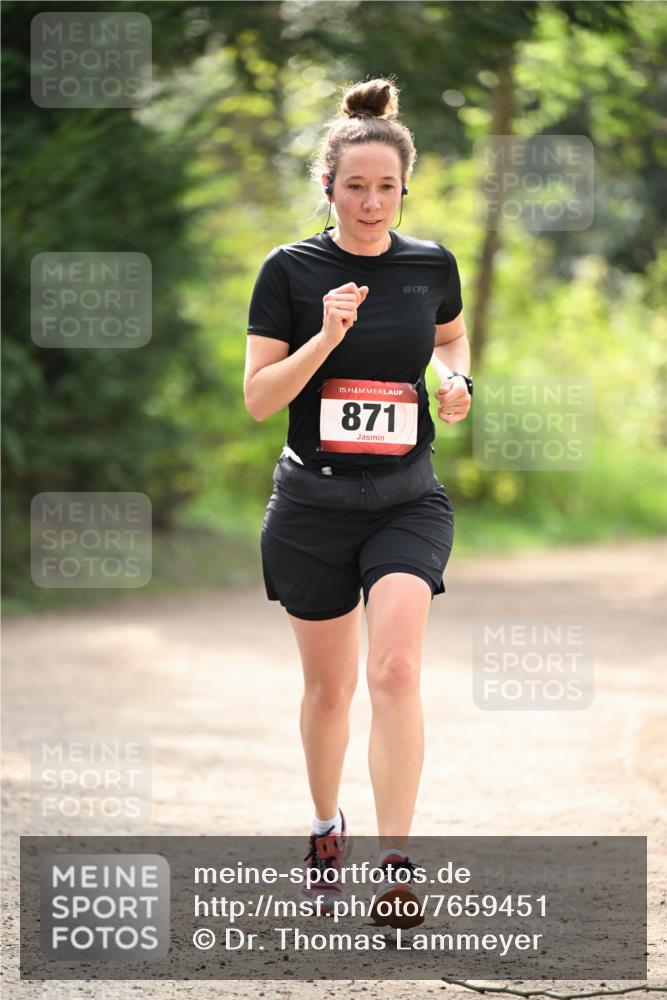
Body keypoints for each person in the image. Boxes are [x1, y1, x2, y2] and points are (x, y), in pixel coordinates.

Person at [243, 77, 472, 929]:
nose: (371, 202)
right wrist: (325, 337)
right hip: (310, 506)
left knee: (396, 669)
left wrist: (455, 380)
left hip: (406, 500)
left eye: (386, 187)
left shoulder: (429, 265)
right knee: (331, 692)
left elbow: (450, 337)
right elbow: (259, 399)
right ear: (328, 187)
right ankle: (323, 827)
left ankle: (397, 864)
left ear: (404, 188)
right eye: (354, 186)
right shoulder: (289, 271)